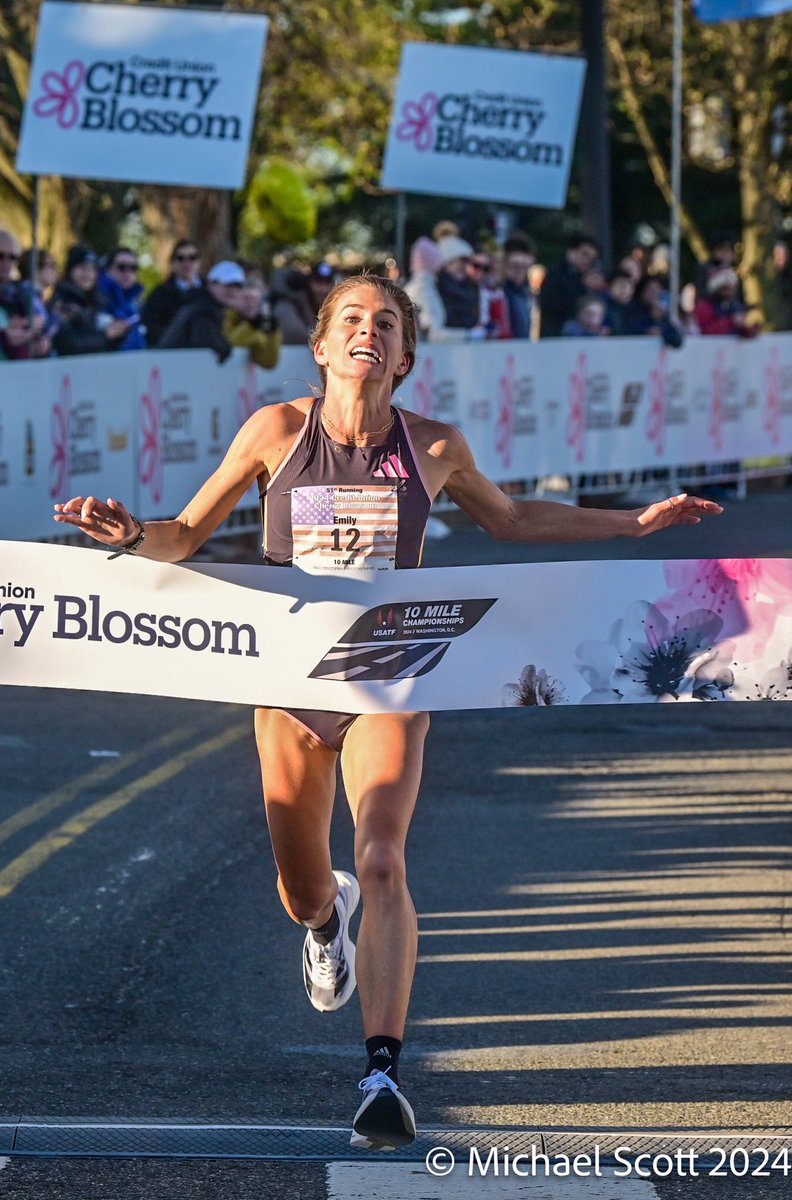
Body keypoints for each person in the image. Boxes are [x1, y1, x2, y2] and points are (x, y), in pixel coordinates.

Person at [53, 273, 722, 1151]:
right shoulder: (276, 433)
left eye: (389, 323)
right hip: (292, 687)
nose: (370, 332)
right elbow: (185, 533)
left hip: (390, 682)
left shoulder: (435, 447)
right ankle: (323, 924)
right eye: (353, 320)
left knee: (382, 859)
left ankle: (381, 1073)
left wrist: (633, 525)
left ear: (404, 356)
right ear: (323, 347)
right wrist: (131, 533)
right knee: (303, 889)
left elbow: (513, 521)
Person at [50, 245, 133, 357]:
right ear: (70, 270)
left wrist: (119, 333)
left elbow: (105, 346)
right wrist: (106, 335)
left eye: (92, 269)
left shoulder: (99, 301)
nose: (87, 273)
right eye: (82, 267)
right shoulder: (62, 301)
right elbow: (68, 344)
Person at [141, 239, 204, 347]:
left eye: (192, 258)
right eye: (180, 258)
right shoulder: (159, 294)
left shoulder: (211, 291)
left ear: (199, 262)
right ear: (172, 263)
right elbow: (150, 325)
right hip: (171, 354)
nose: (187, 263)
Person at [539, 233, 601, 338]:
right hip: (556, 337)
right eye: (584, 255)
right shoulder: (555, 274)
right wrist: (581, 286)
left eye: (591, 258)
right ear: (571, 251)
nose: (587, 261)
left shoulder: (585, 277)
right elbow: (552, 304)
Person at [97, 246, 146, 350]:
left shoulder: (138, 304)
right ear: (108, 269)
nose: (127, 272)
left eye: (133, 268)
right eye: (121, 267)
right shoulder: (96, 299)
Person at [694, 268, 759, 337]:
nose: (730, 291)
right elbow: (706, 332)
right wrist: (731, 321)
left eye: (732, 287)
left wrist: (750, 329)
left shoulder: (734, 304)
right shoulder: (704, 305)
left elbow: (739, 332)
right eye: (726, 288)